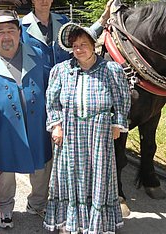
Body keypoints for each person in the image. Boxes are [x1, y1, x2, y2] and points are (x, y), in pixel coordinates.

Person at [43, 23, 131, 233]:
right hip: (70, 131)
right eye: (75, 45)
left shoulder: (111, 70)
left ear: (93, 45)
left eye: (84, 44)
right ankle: (70, 222)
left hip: (99, 132)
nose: (79, 49)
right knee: (70, 174)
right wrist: (56, 125)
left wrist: (117, 123)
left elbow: (121, 98)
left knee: (98, 175)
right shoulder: (62, 70)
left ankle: (96, 223)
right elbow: (52, 101)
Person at [0, 10, 51, 229]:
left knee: (42, 165)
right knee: (5, 171)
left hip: (37, 123)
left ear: (19, 32)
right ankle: (5, 207)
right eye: (0, 32)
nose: (6, 36)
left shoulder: (37, 54)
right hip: (4, 126)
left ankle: (37, 203)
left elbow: (51, 85)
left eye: (11, 30)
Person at [21, 0, 112, 70]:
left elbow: (85, 37)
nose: (44, 0)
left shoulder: (63, 21)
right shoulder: (21, 26)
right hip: (35, 82)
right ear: (33, 0)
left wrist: (104, 17)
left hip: (63, 80)